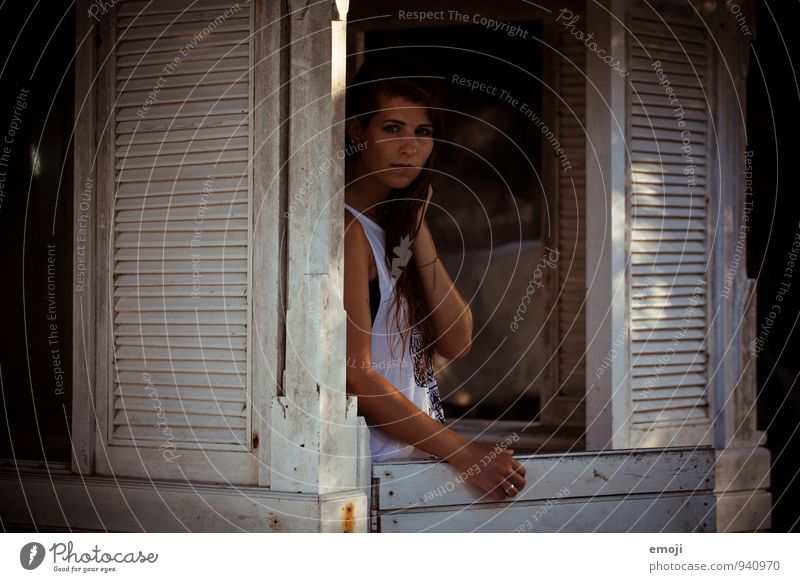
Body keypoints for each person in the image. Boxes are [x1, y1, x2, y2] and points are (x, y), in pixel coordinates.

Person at [342, 59, 526, 502]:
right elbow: (356, 376)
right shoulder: (347, 231)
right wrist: (464, 453)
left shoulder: (391, 225)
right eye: (392, 129)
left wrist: (416, 221)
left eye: (422, 133)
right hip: (364, 473)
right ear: (356, 132)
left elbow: (457, 340)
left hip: (409, 467)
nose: (409, 147)